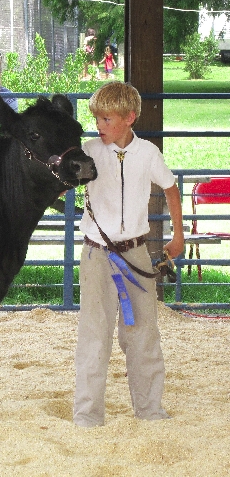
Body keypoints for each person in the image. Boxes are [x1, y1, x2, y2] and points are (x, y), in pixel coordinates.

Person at [73, 81, 185, 428]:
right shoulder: (87, 151)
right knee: (95, 333)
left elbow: (170, 188)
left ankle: (150, 409)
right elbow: (60, 178)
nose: (99, 126)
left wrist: (178, 235)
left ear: (129, 118)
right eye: (97, 119)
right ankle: (88, 416)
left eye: (107, 119)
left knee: (143, 333)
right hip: (96, 255)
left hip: (136, 254)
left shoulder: (148, 153)